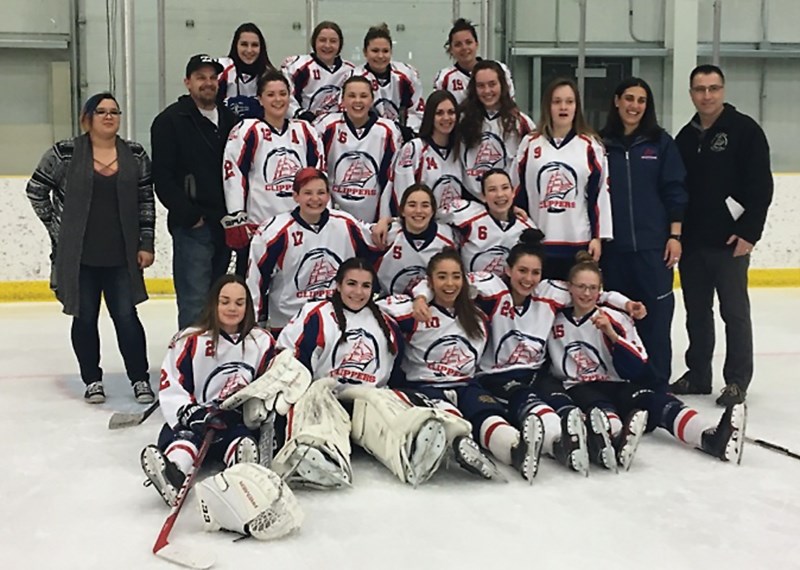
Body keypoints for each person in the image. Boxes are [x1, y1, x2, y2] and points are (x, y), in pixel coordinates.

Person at [411, 230, 641, 475]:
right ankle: (558, 445)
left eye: (535, 272)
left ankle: (597, 442)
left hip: (535, 374)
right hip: (497, 377)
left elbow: (591, 292)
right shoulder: (491, 288)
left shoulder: (549, 292)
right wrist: (421, 298)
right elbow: (445, 279)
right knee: (530, 403)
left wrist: (624, 304)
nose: (528, 279)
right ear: (508, 270)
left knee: (563, 403)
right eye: (522, 271)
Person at [540, 252, 746, 471]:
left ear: (600, 290)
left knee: (656, 401)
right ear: (569, 287)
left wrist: (613, 336)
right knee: (599, 406)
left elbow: (637, 366)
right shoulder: (553, 317)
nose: (586, 293)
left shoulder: (616, 318)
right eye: (580, 287)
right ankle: (616, 438)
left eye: (592, 288)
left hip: (617, 384)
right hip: (579, 387)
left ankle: (709, 437)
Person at [26, 92, 155, 405]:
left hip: (121, 256)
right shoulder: (65, 153)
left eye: (114, 111)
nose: (109, 116)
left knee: (126, 318)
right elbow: (36, 190)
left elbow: (145, 202)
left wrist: (146, 243)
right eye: (101, 111)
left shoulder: (135, 155)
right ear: (88, 118)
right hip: (79, 258)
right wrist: (58, 230)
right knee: (84, 319)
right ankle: (92, 380)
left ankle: (139, 378)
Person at [379, 249, 539, 481]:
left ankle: (515, 449)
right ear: (430, 281)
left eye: (456, 276)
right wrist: (420, 297)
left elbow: (489, 285)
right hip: (425, 386)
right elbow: (372, 308)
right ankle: (462, 445)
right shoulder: (412, 312)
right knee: (449, 416)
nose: (450, 283)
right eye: (442, 277)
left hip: (466, 384)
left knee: (487, 414)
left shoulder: (476, 315)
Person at [672, 65, 774, 406]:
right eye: (700, 89)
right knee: (696, 312)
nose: (707, 95)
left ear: (723, 90)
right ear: (691, 94)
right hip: (693, 244)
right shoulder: (685, 138)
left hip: (731, 243)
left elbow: (761, 187)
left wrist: (749, 233)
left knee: (734, 312)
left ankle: (736, 381)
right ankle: (699, 374)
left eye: (713, 88)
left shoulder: (745, 131)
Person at [139, 274, 276, 506]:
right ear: (213, 303)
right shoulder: (189, 339)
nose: (232, 308)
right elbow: (172, 383)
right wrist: (190, 413)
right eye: (225, 301)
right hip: (197, 420)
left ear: (248, 306)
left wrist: (256, 408)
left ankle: (241, 475)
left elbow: (271, 381)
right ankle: (173, 475)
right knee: (183, 439)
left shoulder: (262, 341)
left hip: (236, 421)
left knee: (243, 441)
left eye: (239, 303)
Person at [598, 77, 688, 391]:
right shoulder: (600, 143)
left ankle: (658, 387)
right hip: (614, 252)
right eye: (629, 98)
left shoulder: (660, 143)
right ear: (617, 101)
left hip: (653, 249)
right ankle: (624, 384)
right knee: (619, 319)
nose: (634, 106)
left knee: (656, 320)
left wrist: (674, 236)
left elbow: (675, 191)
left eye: (641, 100)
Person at [151, 54, 238, 329]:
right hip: (193, 228)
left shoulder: (231, 120)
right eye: (201, 77)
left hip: (225, 227)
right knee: (194, 302)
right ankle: (189, 363)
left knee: (220, 300)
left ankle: (216, 361)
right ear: (188, 82)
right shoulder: (170, 121)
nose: (208, 83)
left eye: (213, 77)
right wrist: (190, 216)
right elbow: (162, 178)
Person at [245, 167, 386, 336]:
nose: (315, 199)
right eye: (307, 193)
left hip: (337, 321)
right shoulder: (273, 232)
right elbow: (256, 280)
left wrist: (387, 221)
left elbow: (379, 237)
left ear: (328, 195)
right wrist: (253, 325)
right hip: (288, 324)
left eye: (321, 192)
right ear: (295, 196)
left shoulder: (345, 223)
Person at [221, 70, 325, 274]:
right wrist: (236, 218)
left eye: (282, 93)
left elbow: (319, 177)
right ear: (259, 99)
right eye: (270, 94)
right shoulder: (247, 130)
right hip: (258, 230)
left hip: (299, 228)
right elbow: (234, 174)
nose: (277, 99)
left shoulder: (306, 131)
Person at [513, 77, 612, 280]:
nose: (563, 107)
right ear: (547, 106)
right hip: (537, 245)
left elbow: (600, 194)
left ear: (577, 106)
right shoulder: (530, 143)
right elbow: (516, 190)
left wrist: (597, 237)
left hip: (578, 244)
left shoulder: (590, 145)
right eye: (557, 101)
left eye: (569, 101)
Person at [316, 76, 401, 222]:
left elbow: (390, 181)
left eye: (363, 96)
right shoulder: (326, 126)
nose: (358, 101)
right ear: (342, 100)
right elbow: (318, 173)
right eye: (351, 95)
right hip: (333, 217)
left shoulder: (388, 131)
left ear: (372, 99)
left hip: (373, 221)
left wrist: (385, 219)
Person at [381, 90, 469, 217]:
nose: (446, 118)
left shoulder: (461, 149)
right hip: (421, 227)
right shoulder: (414, 149)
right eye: (439, 113)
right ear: (430, 116)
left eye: (451, 112)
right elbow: (402, 196)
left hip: (454, 228)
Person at [438, 168, 537, 276]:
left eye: (505, 188)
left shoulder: (527, 227)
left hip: (508, 291)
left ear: (513, 192)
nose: (500, 194)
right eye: (492, 189)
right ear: (483, 196)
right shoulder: (468, 214)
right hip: (471, 288)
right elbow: (433, 216)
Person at [459, 60, 534, 199]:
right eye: (481, 86)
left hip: (507, 203)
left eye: (492, 84)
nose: (487, 91)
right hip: (471, 205)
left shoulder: (521, 122)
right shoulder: (461, 121)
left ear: (503, 85)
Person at [375, 184, 457, 296]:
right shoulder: (388, 233)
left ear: (433, 211)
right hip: (390, 304)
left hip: (432, 306)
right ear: (402, 210)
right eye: (412, 205)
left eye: (425, 205)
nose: (418, 211)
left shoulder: (448, 236)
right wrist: (385, 221)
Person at [352, 23, 425, 141]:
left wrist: (408, 131)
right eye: (375, 51)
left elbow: (417, 110)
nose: (380, 56)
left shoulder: (406, 74)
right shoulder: (355, 77)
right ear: (365, 52)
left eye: (385, 51)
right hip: (368, 138)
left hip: (400, 138)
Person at [282, 21, 356, 122]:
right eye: (322, 40)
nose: (327, 45)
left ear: (340, 44)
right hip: (304, 126)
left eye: (333, 41)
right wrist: (298, 113)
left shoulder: (350, 71)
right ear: (314, 42)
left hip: (337, 129)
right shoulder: (298, 66)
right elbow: (284, 95)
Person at [433, 18, 515, 105]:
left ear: (476, 44)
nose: (464, 48)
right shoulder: (444, 77)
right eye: (458, 44)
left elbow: (510, 106)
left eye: (468, 42)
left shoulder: (499, 69)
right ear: (451, 49)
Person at [217, 23, 275, 118]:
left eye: (254, 45)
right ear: (235, 46)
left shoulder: (269, 75)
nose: (249, 50)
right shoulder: (223, 69)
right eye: (244, 44)